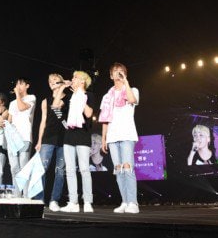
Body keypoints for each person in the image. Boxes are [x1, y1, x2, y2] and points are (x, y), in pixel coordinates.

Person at [100, 62, 140, 214]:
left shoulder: (132, 90)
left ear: (125, 74)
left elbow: (132, 100)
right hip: (112, 136)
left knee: (128, 168)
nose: (118, 72)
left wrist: (126, 82)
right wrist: (103, 138)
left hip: (127, 134)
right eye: (115, 71)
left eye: (121, 70)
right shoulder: (107, 96)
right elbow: (105, 119)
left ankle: (133, 202)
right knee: (118, 170)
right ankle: (124, 201)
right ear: (111, 76)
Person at [55, 71, 95, 213]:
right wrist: (62, 88)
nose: (72, 79)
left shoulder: (88, 95)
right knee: (70, 170)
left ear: (83, 81)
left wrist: (80, 96)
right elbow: (55, 106)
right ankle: (73, 202)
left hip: (83, 135)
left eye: (75, 77)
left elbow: (89, 114)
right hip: (69, 136)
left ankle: (88, 202)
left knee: (84, 169)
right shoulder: (70, 96)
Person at [34, 73, 67, 210]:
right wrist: (39, 140)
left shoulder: (68, 98)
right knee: (41, 168)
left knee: (60, 170)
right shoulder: (45, 101)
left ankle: (54, 200)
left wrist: (63, 88)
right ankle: (39, 199)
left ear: (61, 82)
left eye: (55, 80)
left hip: (64, 137)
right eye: (50, 81)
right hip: (48, 137)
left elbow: (57, 106)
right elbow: (43, 121)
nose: (52, 82)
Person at [7, 77, 37, 197]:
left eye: (21, 84)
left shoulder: (31, 98)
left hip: (24, 137)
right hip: (12, 138)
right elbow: (10, 120)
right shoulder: (12, 103)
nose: (18, 86)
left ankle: (26, 196)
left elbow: (21, 107)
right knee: (14, 168)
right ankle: (17, 196)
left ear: (27, 86)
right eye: (17, 84)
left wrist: (17, 95)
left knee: (24, 167)